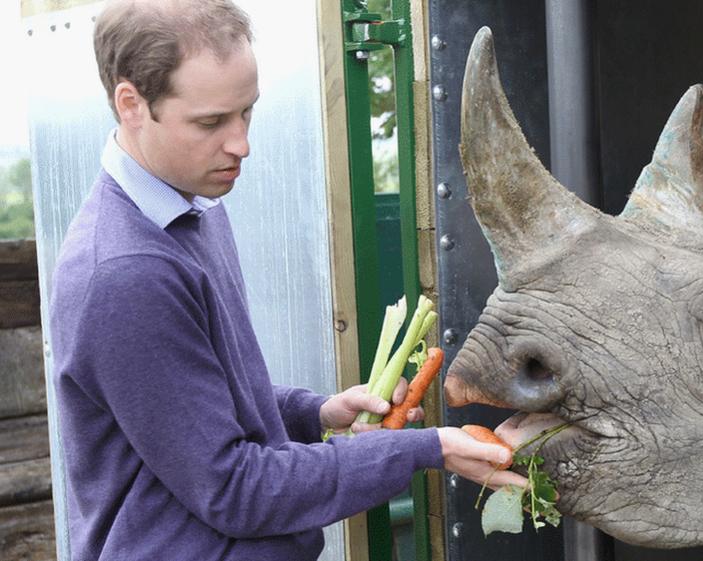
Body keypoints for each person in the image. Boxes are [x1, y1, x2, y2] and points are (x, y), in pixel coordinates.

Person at [48, 1, 527, 559]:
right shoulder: (126, 274)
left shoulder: (193, 208)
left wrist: (315, 412)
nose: (241, 144)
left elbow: (195, 404)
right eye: (210, 122)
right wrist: (426, 449)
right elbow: (233, 489)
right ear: (132, 104)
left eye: (246, 112)